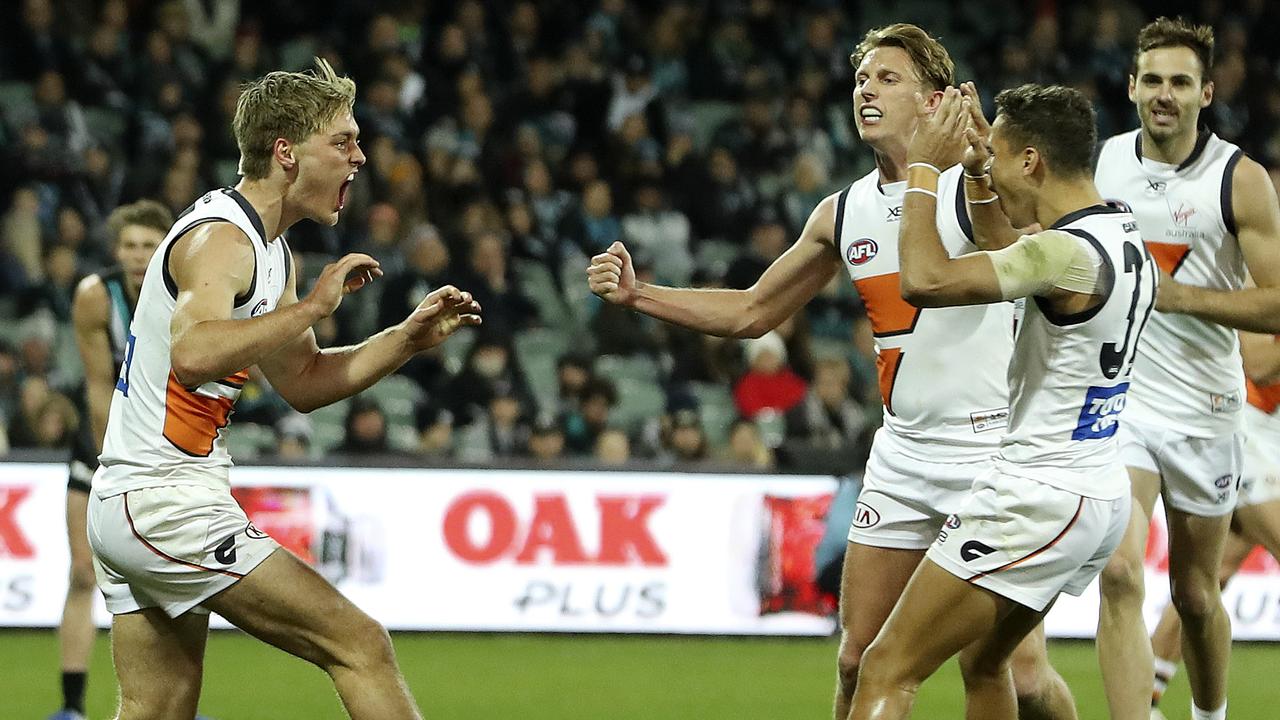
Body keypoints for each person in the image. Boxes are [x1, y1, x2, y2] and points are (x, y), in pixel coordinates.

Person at [588, 24, 1074, 720]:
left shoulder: (980, 188)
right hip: (903, 455)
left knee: (1016, 676)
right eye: (860, 80)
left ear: (935, 100)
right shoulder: (843, 212)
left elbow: (1015, 262)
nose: (866, 91)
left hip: (991, 453)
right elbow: (753, 310)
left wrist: (971, 169)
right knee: (856, 658)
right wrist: (641, 295)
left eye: (887, 79)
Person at [85, 59, 481, 720]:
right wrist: (310, 310)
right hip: (161, 503)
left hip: (141, 502)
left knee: (158, 709)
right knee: (359, 644)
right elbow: (191, 353)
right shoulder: (223, 239)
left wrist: (405, 339)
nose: (360, 158)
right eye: (344, 142)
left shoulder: (271, 250)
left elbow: (304, 381)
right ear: (285, 152)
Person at [848, 83, 1155, 720]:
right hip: (1097, 489)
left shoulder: (1062, 253)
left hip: (1035, 493)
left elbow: (923, 281)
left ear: (1032, 161)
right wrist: (982, 170)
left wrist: (927, 173)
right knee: (986, 663)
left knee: (885, 668)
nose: (985, 164)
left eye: (998, 153)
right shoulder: (1124, 233)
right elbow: (1006, 248)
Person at [1092, 18, 1280, 720]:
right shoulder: (1103, 164)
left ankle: (1209, 714)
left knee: (1196, 596)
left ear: (1205, 92)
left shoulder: (1240, 180)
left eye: (1178, 82)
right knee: (1117, 571)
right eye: (1151, 80)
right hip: (1122, 404)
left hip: (1207, 411)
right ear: (1132, 85)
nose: (1162, 94)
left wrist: (1177, 296)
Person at [50, 199, 170, 720]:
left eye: (149, 246)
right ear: (116, 250)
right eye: (130, 246)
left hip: (168, 447)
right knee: (82, 573)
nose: (139, 256)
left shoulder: (186, 292)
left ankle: (173, 703)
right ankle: (72, 708)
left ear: (165, 247)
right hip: (105, 445)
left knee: (165, 581)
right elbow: (99, 384)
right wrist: (112, 460)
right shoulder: (96, 297)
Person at [1148, 334, 1280, 720]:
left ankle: (1145, 703)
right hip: (1248, 426)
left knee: (1205, 581)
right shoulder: (1263, 275)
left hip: (1274, 431)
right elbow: (1258, 363)